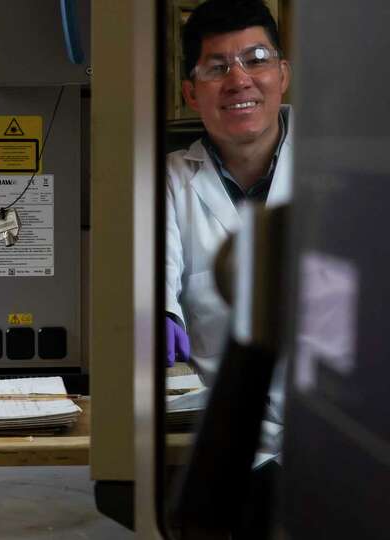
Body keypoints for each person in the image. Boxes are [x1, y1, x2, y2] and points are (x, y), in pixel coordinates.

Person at [165, 0, 292, 380]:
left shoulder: (335, 171)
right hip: (216, 424)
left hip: (328, 424)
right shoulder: (168, 182)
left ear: (282, 75)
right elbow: (152, 275)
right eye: (217, 68)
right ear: (191, 93)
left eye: (256, 60)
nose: (239, 81)